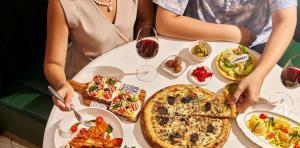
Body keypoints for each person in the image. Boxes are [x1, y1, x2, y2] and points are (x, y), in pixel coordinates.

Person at [153, 0, 297, 112]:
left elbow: (286, 20)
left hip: (256, 49)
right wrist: (232, 33)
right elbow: (165, 22)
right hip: (196, 40)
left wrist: (259, 74)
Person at [44, 0, 155, 111]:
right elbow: (53, 63)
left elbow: (145, 20)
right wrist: (61, 84)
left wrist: (139, 55)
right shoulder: (60, 3)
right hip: (85, 84)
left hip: (128, 73)